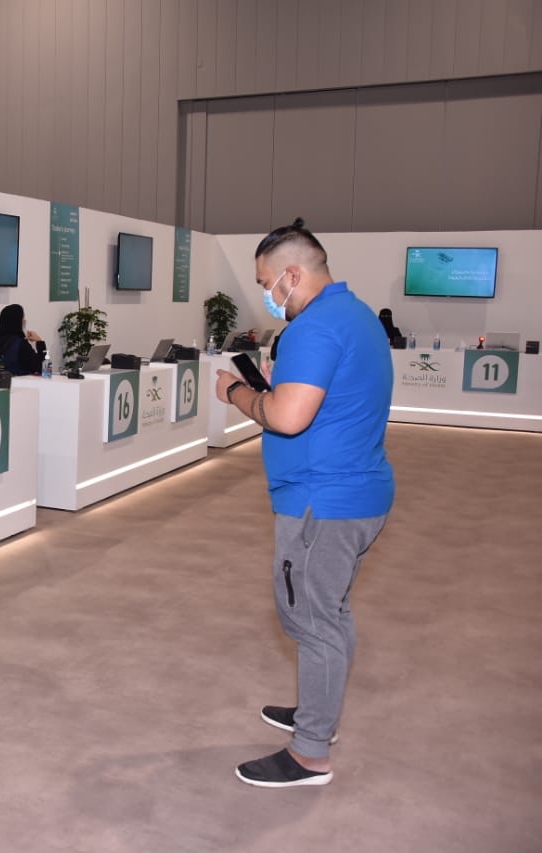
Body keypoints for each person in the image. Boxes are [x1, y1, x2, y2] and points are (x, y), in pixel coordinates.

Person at [213, 218, 394, 788]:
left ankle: (311, 752)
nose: (267, 295)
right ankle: (319, 712)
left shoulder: (313, 328)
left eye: (266, 283)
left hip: (323, 503)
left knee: (313, 621)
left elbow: (288, 418)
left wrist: (236, 392)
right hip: (356, 493)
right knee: (330, 612)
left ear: (291, 275)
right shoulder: (357, 315)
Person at [0, 304, 47, 375]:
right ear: (17, 321)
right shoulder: (20, 345)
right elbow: (43, 368)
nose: (24, 321)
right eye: (23, 318)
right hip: (16, 382)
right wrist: (40, 342)